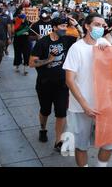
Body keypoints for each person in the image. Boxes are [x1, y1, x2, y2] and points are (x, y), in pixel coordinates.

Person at [63, 13, 112, 167]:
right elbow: (69, 80)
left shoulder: (106, 45)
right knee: (80, 145)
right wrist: (85, 105)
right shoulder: (76, 48)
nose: (100, 28)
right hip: (81, 107)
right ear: (87, 26)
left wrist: (108, 53)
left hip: (105, 105)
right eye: (97, 24)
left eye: (102, 25)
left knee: (109, 143)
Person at [29, 17, 78, 151]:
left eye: (66, 26)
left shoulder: (66, 39)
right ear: (55, 27)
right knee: (45, 111)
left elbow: (85, 38)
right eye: (62, 26)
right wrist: (49, 60)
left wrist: (77, 24)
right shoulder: (42, 42)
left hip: (62, 84)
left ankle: (58, 140)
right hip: (45, 84)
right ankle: (43, 129)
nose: (65, 29)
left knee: (61, 112)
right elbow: (32, 63)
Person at [0, 1, 13, 78]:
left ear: (4, 7)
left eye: (1, 6)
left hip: (3, 39)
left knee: (0, 55)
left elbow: (9, 28)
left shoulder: (7, 17)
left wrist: (9, 38)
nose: (0, 7)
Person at [13, 7, 32, 76]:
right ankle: (17, 65)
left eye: (24, 12)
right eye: (21, 12)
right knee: (18, 53)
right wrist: (22, 32)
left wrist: (28, 32)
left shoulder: (29, 22)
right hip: (17, 40)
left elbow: (31, 31)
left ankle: (25, 69)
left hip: (26, 40)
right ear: (18, 14)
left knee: (26, 54)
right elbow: (15, 32)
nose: (23, 13)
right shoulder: (16, 21)